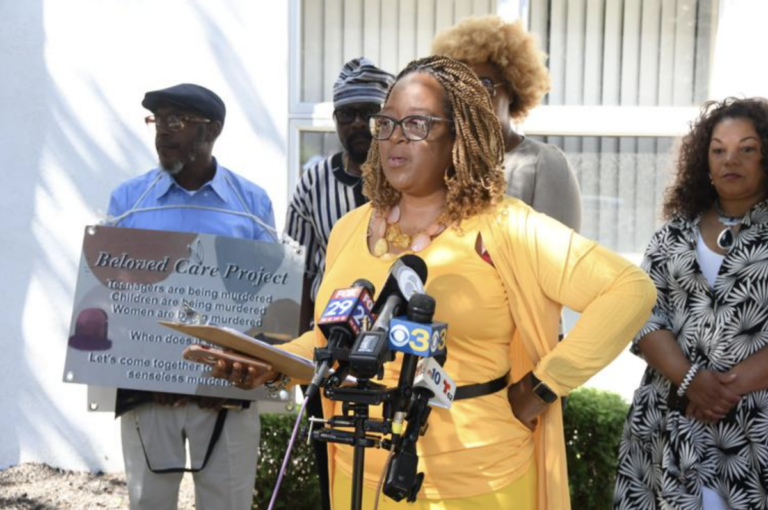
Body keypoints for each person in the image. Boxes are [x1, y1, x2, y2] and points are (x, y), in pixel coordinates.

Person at [214, 56, 655, 509]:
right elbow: (333, 336)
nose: (396, 137)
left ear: (460, 136)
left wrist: (541, 387)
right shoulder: (350, 228)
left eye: (417, 123)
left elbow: (628, 289)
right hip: (358, 469)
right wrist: (271, 361)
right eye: (386, 123)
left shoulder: (507, 227)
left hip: (478, 480)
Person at [106, 83, 276, 510]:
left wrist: (232, 371)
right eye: (157, 120)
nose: (163, 131)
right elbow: (110, 293)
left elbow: (268, 301)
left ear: (212, 130)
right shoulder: (128, 201)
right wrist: (153, 374)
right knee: (148, 504)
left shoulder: (251, 203)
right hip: (147, 391)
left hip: (225, 390)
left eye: (176, 121)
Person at [614, 97, 768, 510]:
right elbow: (641, 311)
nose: (730, 159)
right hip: (668, 422)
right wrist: (690, 381)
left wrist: (723, 391)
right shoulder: (673, 234)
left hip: (754, 432)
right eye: (718, 150)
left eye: (747, 149)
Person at [284, 57, 394, 510]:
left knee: (390, 463)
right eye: (345, 114)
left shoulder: (409, 179)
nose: (357, 124)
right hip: (331, 347)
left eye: (369, 112)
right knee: (332, 460)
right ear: (334, 120)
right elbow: (299, 270)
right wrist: (295, 356)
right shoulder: (313, 181)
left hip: (392, 348)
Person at [432, 14, 582, 232]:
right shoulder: (440, 163)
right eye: (460, 85)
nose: (472, 95)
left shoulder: (543, 163)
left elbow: (557, 258)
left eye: (484, 83)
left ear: (512, 89)